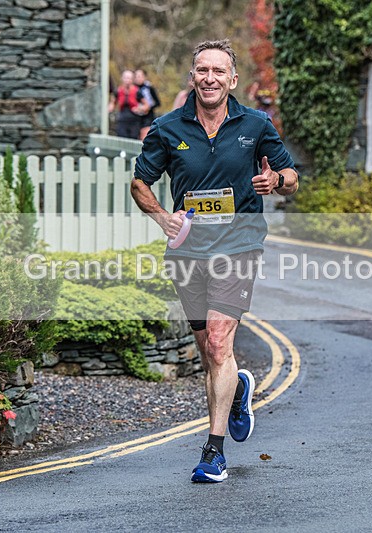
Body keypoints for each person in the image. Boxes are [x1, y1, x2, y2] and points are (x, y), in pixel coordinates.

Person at [131, 39, 298, 483]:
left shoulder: (256, 124)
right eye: (202, 70)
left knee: (220, 342)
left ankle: (213, 451)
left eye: (218, 71)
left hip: (238, 244)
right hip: (188, 250)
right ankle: (238, 388)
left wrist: (274, 178)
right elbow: (139, 184)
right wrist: (163, 218)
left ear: (232, 79)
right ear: (193, 76)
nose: (209, 78)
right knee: (210, 351)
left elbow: (292, 177)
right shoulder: (167, 129)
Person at [112, 70, 143, 139]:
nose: (127, 80)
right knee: (121, 137)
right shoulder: (118, 90)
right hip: (122, 119)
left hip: (134, 119)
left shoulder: (137, 91)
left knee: (133, 138)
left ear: (132, 79)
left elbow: (146, 105)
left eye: (129, 78)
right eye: (125, 78)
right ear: (122, 78)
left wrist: (139, 109)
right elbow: (112, 103)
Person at [134, 69, 160, 140]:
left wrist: (147, 108)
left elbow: (157, 103)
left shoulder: (149, 88)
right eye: (136, 76)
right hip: (135, 118)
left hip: (148, 117)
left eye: (139, 76)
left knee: (144, 137)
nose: (137, 78)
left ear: (144, 77)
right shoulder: (133, 88)